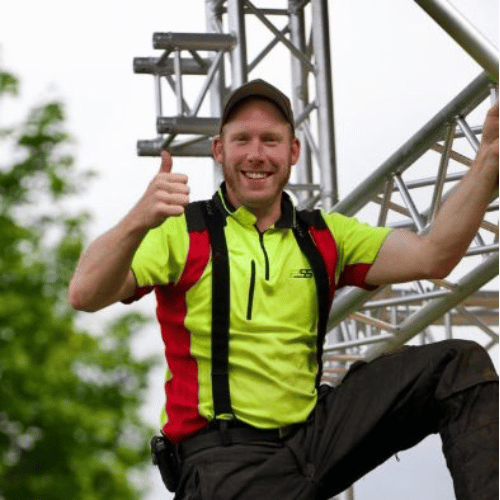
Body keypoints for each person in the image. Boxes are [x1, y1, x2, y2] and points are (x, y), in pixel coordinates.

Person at [68, 79, 499, 500]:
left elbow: (434, 255)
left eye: (270, 140)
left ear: (293, 151)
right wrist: (137, 221)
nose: (256, 154)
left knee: (458, 365)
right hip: (224, 464)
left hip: (312, 440)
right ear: (219, 150)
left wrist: (487, 160)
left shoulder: (325, 235)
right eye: (242, 140)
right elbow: (85, 294)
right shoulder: (182, 232)